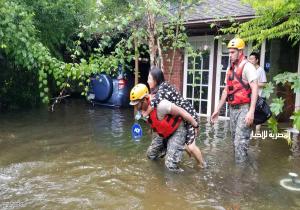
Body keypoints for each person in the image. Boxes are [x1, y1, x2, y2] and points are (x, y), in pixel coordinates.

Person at [144, 67, 206, 168]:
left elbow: (153, 104)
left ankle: (202, 165)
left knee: (191, 146)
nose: (147, 81)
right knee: (187, 145)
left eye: (149, 78)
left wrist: (196, 125)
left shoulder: (162, 90)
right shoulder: (160, 88)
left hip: (189, 115)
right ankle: (183, 147)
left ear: (155, 80)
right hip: (182, 115)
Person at [129, 83, 199, 172]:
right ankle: (173, 149)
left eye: (137, 105)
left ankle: (181, 178)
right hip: (164, 132)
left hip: (177, 130)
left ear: (145, 99)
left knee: (170, 165)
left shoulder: (161, 105)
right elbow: (154, 121)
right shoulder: (143, 111)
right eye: (134, 105)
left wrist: (195, 125)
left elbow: (182, 112)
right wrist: (151, 129)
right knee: (151, 155)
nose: (136, 108)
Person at [210, 37, 258, 163]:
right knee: (235, 142)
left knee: (239, 143)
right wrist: (217, 110)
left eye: (232, 52)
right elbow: (226, 90)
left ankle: (241, 177)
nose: (230, 55)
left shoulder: (248, 67)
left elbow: (255, 89)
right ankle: (242, 168)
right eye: (229, 52)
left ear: (240, 51)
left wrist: (251, 112)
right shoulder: (229, 69)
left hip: (244, 109)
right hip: (232, 109)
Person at [248, 52, 267, 133]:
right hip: (249, 96)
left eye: (252, 59)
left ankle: (257, 133)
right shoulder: (249, 69)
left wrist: (254, 84)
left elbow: (264, 84)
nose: (250, 60)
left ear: (257, 60)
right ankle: (249, 132)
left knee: (258, 115)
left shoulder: (260, 70)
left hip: (259, 96)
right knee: (249, 114)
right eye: (249, 59)